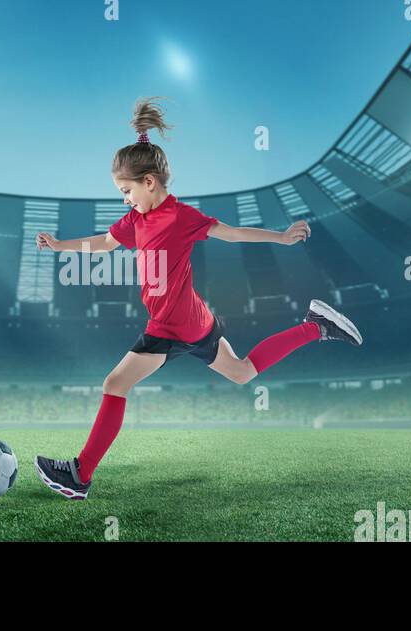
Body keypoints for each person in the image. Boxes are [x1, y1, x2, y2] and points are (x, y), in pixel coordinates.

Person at [33, 97, 363, 499]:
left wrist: (279, 236)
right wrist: (60, 245)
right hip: (194, 322)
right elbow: (104, 243)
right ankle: (316, 326)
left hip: (173, 326)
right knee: (243, 373)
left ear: (149, 182)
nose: (125, 199)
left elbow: (232, 232)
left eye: (126, 190)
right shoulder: (136, 220)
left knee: (115, 384)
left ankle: (80, 475)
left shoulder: (179, 217)